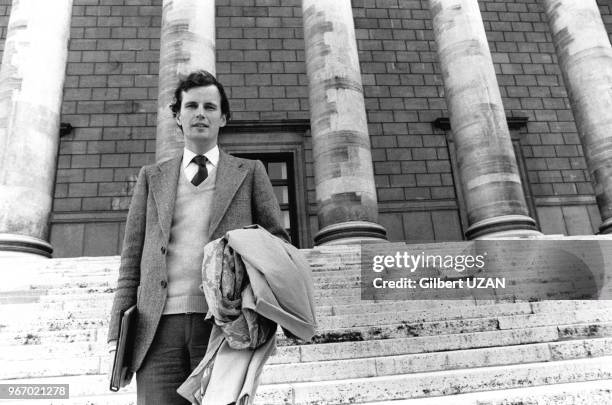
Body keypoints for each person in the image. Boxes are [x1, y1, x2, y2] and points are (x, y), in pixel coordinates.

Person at [107, 70, 288, 404]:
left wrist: (271, 314)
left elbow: (278, 247)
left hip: (224, 328)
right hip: (156, 328)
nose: (200, 113)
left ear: (223, 118)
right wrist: (119, 327)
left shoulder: (250, 173)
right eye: (191, 106)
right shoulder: (152, 178)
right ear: (178, 116)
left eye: (209, 106)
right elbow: (131, 257)